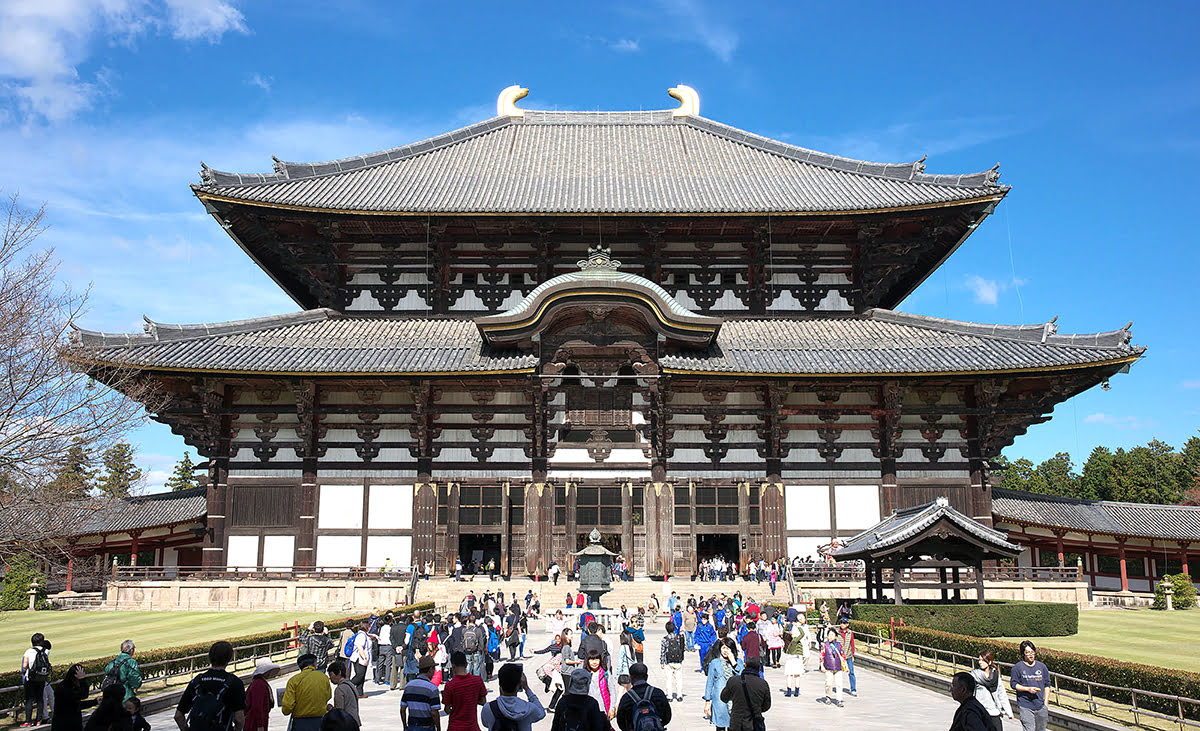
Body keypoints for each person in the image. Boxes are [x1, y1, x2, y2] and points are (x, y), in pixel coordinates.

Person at [175, 641, 246, 731]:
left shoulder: (197, 681)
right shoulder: (235, 682)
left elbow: (178, 715)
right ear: (230, 658)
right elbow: (239, 719)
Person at [481, 663, 545, 731]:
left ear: (500, 683)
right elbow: (541, 712)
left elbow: (485, 724)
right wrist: (526, 688)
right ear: (519, 684)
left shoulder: (488, 708)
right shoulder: (528, 708)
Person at [615, 663, 671, 731]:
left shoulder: (627, 698)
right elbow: (667, 716)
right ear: (647, 676)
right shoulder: (658, 693)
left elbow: (621, 721)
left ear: (631, 677)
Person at [282, 654, 331, 731]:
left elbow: (287, 708)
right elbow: (328, 696)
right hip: (320, 721)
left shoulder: (293, 681)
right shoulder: (324, 677)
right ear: (314, 663)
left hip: (300, 723)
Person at [721, 658, 771, 731]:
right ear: (759, 668)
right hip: (753, 723)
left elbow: (723, 698)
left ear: (745, 665)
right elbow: (767, 706)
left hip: (736, 722)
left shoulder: (733, 680)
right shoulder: (763, 684)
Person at [703, 638, 743, 731]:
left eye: (728, 649)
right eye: (724, 648)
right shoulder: (715, 663)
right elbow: (709, 682)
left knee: (733, 726)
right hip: (719, 700)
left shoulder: (739, 662)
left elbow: (742, 677)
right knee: (720, 726)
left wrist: (733, 662)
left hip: (735, 700)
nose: (725, 651)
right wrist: (707, 701)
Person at [1010, 641, 1049, 731]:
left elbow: (1047, 685)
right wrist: (1027, 689)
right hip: (1025, 705)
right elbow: (1013, 684)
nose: (1031, 655)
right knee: (1029, 729)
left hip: (1040, 706)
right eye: (1027, 653)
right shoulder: (1017, 668)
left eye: (1032, 652)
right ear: (1023, 654)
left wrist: (1046, 704)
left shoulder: (1042, 667)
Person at [442, 651, 486, 731]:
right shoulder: (477, 681)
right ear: (466, 664)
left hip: (455, 727)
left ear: (453, 666)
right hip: (472, 727)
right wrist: (471, 700)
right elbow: (483, 701)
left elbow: (447, 710)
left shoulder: (450, 686)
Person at [970, 652, 1013, 731]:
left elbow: (1001, 693)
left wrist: (1009, 712)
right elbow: (971, 694)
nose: (980, 662)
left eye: (983, 660)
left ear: (989, 662)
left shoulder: (995, 675)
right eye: (979, 660)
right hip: (980, 712)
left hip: (994, 712)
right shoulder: (974, 675)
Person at [399, 655, 442, 731]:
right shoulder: (432, 689)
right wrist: (438, 728)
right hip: (427, 727)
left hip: (412, 726)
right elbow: (434, 712)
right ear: (430, 670)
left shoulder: (408, 686)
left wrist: (405, 726)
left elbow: (402, 709)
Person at [22, 632, 51, 727]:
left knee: (29, 700)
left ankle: (28, 721)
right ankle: (39, 720)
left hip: (30, 679)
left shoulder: (29, 651)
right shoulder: (46, 651)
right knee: (40, 699)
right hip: (41, 678)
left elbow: (25, 666)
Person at [246, 659, 281, 731]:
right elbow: (257, 706)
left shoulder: (258, 682)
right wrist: (260, 725)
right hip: (254, 723)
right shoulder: (259, 684)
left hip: (256, 721)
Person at [51, 664, 88, 731]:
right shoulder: (64, 688)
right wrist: (82, 680)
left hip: (73, 723)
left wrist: (96, 701)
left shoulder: (70, 686)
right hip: (64, 724)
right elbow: (83, 696)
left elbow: (77, 703)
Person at [581, 649, 615, 721]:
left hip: (603, 710)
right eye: (591, 660)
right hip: (588, 711)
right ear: (588, 661)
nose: (594, 662)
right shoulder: (584, 674)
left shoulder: (605, 673)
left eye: (596, 659)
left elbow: (612, 691)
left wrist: (612, 708)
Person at [659, 621, 686, 701]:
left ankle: (670, 696)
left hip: (669, 662)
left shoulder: (665, 639)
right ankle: (679, 695)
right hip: (678, 661)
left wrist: (662, 662)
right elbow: (683, 648)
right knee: (679, 679)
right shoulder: (678, 637)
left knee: (669, 679)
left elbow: (663, 651)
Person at [329, 661, 360, 726]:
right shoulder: (351, 684)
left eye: (331, 674)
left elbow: (339, 711)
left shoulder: (340, 689)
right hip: (355, 721)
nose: (330, 678)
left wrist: (331, 709)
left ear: (339, 672)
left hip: (346, 724)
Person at [819, 629, 845, 708]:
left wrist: (845, 666)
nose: (830, 636)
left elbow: (842, 656)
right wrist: (822, 665)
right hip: (828, 666)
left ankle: (839, 699)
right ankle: (828, 696)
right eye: (829, 634)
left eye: (832, 635)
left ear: (835, 636)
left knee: (839, 684)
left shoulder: (839, 645)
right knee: (829, 683)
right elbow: (821, 656)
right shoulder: (824, 645)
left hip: (838, 666)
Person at [348, 620, 371, 696]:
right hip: (359, 658)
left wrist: (375, 636)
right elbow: (359, 647)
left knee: (362, 675)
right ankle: (348, 686)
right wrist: (364, 657)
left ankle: (359, 692)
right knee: (359, 675)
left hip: (361, 658)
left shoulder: (364, 634)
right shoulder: (361, 636)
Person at [837, 622, 856, 697]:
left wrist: (853, 654)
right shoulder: (837, 632)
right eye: (841, 623)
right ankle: (839, 688)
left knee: (851, 672)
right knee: (838, 673)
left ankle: (853, 689)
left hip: (848, 655)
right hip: (839, 656)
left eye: (844, 623)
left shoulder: (850, 633)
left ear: (847, 624)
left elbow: (852, 644)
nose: (842, 624)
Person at [376, 615, 395, 687]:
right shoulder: (390, 628)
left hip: (381, 646)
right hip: (388, 646)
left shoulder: (381, 628)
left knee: (380, 663)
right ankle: (387, 679)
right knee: (388, 664)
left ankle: (377, 678)